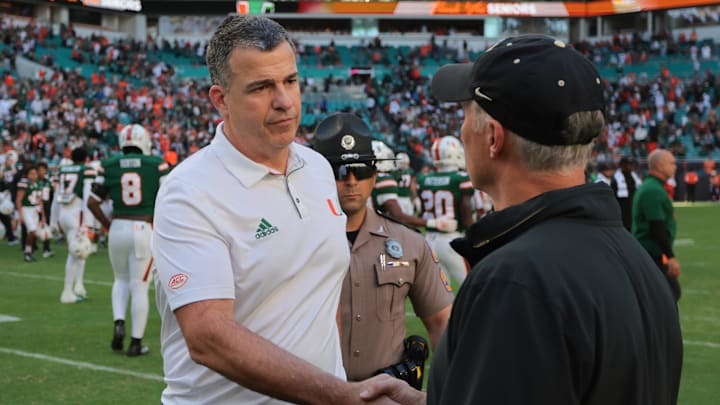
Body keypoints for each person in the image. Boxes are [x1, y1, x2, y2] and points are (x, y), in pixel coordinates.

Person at [361, 34, 682, 405]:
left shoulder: (516, 280)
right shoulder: (636, 260)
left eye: (465, 114)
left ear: (494, 138)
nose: (462, 130)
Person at [151, 15, 394, 404]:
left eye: (290, 81)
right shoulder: (190, 192)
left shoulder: (316, 168)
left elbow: (319, 293)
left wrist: (340, 382)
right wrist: (339, 394)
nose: (284, 101)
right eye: (261, 87)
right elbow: (208, 337)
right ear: (221, 100)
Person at [312, 112, 453, 384]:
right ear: (317, 176)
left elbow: (442, 324)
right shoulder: (293, 244)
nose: (351, 180)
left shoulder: (409, 244)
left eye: (361, 169)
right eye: (338, 171)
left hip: (386, 397)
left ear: (374, 176)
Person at [88, 124, 169, 356]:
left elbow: (93, 202)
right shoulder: (157, 165)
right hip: (143, 227)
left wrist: (107, 225)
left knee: (120, 280)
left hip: (117, 227)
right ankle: (135, 342)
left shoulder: (109, 165)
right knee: (139, 286)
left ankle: (119, 322)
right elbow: (169, 199)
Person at [417, 136, 475, 284]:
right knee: (473, 286)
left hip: (429, 241)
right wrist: (474, 236)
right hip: (452, 240)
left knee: (443, 297)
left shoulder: (424, 179)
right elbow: (466, 212)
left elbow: (424, 209)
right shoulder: (460, 179)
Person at [371, 140, 456, 233]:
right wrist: (434, 223)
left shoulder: (365, 179)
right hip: (378, 227)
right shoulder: (385, 179)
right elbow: (398, 216)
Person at [632, 149, 682, 301]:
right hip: (651, 253)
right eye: (672, 163)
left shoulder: (653, 187)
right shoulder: (653, 190)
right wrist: (670, 256)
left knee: (668, 294)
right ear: (660, 166)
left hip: (653, 252)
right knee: (668, 295)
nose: (675, 166)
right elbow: (657, 227)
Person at [56, 147, 97, 303]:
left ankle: (78, 286)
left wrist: (54, 220)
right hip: (77, 213)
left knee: (80, 252)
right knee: (75, 252)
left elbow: (56, 195)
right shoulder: (86, 170)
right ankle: (67, 292)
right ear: (86, 158)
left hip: (64, 212)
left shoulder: (63, 169)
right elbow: (87, 195)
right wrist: (88, 221)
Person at [15, 164, 45, 262]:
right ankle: (27, 253)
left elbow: (40, 201)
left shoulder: (39, 184)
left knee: (34, 233)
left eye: (35, 173)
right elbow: (18, 200)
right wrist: (20, 214)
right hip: (26, 209)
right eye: (31, 173)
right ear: (27, 175)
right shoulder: (24, 183)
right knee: (32, 231)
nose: (34, 175)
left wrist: (43, 216)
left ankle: (29, 252)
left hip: (35, 210)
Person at [611, 155, 642, 231]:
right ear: (622, 165)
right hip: (622, 213)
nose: (630, 166)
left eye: (632, 164)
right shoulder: (615, 180)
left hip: (633, 211)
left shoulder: (635, 178)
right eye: (628, 164)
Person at [37, 161, 54, 258]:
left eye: (44, 170)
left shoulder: (48, 182)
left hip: (47, 207)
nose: (42, 172)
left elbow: (51, 194)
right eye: (40, 170)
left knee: (46, 227)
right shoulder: (35, 182)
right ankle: (30, 246)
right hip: (36, 207)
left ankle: (46, 248)